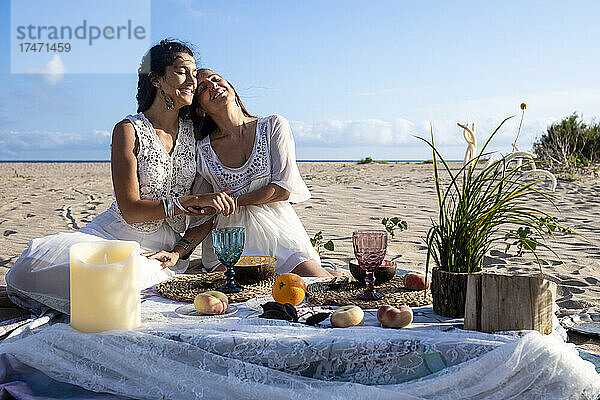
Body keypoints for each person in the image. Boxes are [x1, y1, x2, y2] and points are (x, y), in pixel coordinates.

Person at [6, 41, 235, 315]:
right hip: (109, 236)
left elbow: (208, 213)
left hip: (157, 255)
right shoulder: (128, 130)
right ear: (156, 78)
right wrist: (187, 202)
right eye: (181, 71)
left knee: (124, 283)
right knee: (29, 266)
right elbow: (130, 210)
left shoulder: (197, 132)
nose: (191, 81)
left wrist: (179, 252)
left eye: (193, 73)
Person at [148, 69, 342, 278]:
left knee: (315, 284)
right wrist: (177, 253)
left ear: (230, 86)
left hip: (280, 235)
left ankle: (333, 274)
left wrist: (231, 201)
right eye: (203, 88)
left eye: (216, 79)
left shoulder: (273, 126)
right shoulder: (202, 150)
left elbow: (283, 189)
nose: (213, 85)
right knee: (227, 297)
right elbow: (205, 217)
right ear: (200, 109)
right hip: (229, 243)